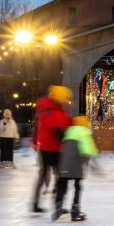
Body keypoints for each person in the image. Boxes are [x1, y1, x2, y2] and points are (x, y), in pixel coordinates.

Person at [32, 85, 73, 213]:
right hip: (55, 150)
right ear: (59, 98)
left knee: (44, 176)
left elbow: (36, 127)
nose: (67, 101)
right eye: (66, 98)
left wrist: (35, 142)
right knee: (61, 176)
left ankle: (35, 203)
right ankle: (58, 205)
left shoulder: (44, 110)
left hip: (44, 148)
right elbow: (59, 134)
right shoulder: (55, 113)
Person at [52, 116, 99, 222]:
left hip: (64, 164)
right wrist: (95, 166)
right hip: (77, 164)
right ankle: (75, 209)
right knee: (78, 186)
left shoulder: (69, 131)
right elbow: (89, 150)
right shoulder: (85, 133)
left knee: (63, 185)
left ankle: (58, 207)